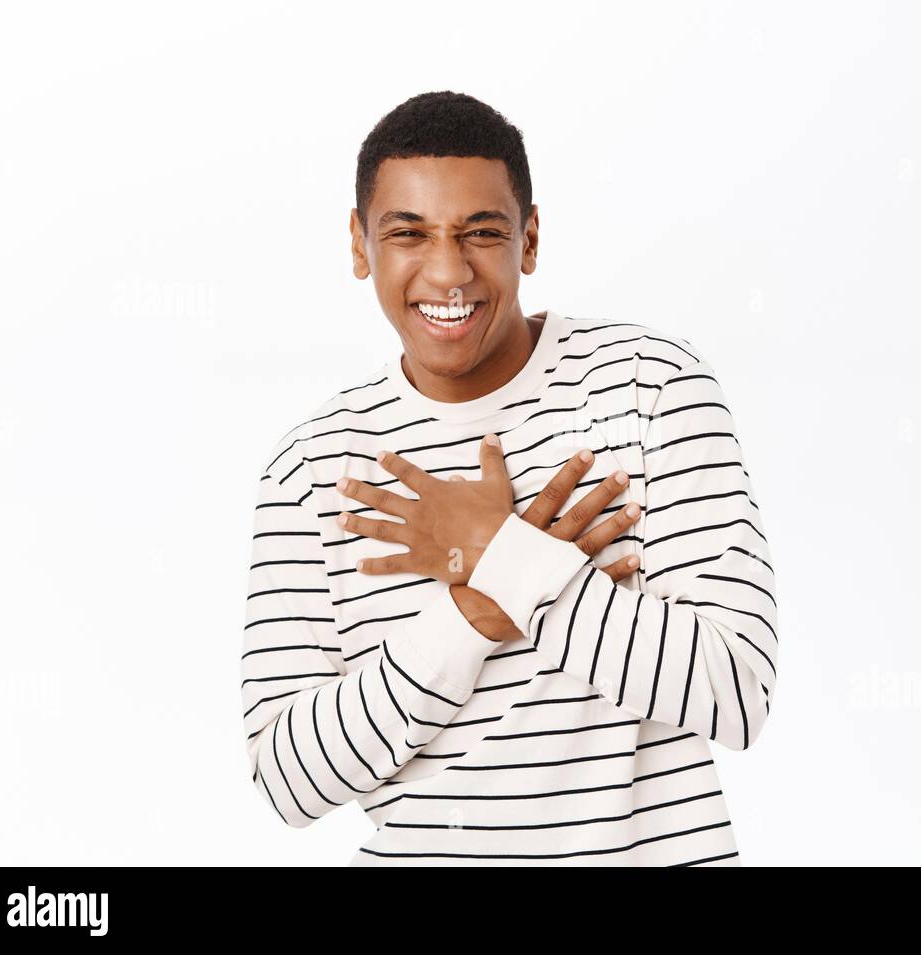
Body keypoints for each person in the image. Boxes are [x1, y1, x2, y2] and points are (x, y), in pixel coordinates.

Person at [241, 91, 779, 866]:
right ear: (361, 247)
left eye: (481, 233)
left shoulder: (650, 388)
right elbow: (287, 781)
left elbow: (736, 694)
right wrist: (476, 608)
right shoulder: (314, 468)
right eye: (408, 234)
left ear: (529, 239)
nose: (448, 270)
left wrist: (499, 551)